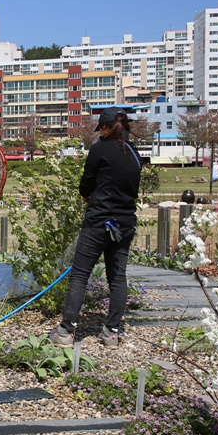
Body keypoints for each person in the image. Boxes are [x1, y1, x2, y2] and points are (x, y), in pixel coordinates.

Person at [50, 107, 142, 348]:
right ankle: (111, 332)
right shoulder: (133, 152)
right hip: (125, 222)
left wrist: (88, 196)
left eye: (100, 129)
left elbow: (85, 184)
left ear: (104, 127)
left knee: (80, 273)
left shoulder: (100, 148)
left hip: (99, 221)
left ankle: (66, 332)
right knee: (117, 277)